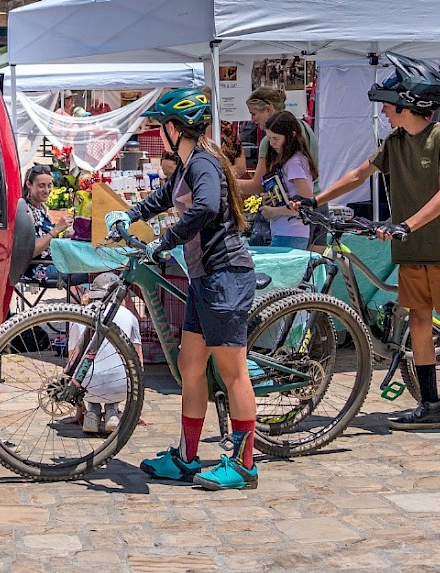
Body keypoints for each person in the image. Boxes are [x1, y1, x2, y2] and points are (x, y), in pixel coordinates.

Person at [316, 56, 440, 435]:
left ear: (409, 103)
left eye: (388, 104)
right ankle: (430, 405)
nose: (384, 111)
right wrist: (316, 201)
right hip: (412, 250)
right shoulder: (395, 141)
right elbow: (360, 173)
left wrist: (406, 224)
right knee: (418, 323)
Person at [123, 88, 262, 490]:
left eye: (159, 126)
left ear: (174, 128)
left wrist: (163, 241)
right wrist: (127, 215)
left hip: (226, 275)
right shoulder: (186, 165)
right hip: (205, 277)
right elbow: (162, 198)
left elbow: (204, 208)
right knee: (190, 364)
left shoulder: (202, 164)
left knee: (232, 371)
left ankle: (244, 465)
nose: (157, 133)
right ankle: (186, 456)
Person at [258, 110, 319, 249]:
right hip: (285, 232)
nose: (272, 143)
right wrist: (272, 198)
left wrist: (274, 211)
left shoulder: (294, 162)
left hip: (290, 233)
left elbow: (305, 203)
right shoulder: (291, 161)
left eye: (276, 138)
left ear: (291, 136)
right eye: (269, 138)